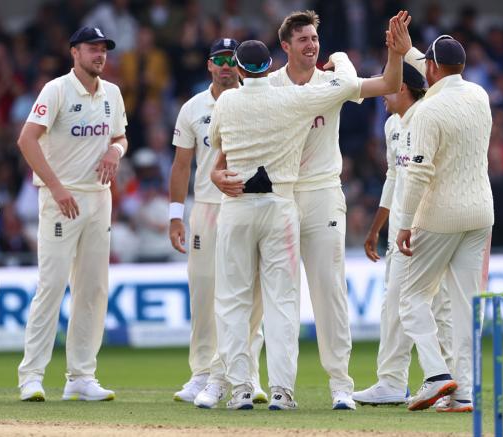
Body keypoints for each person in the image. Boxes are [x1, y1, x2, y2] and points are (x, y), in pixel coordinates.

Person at [212, 9, 406, 410]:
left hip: (319, 192)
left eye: (315, 39)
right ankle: (233, 381)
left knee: (327, 290)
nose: (312, 45)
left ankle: (340, 385)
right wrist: (217, 177)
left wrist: (395, 52)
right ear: (284, 47)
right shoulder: (272, 85)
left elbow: (389, 82)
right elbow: (226, 152)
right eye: (303, 39)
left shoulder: (328, 83)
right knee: (255, 300)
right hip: (276, 196)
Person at [208, 39, 361, 410]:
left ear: (241, 71)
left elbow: (216, 143)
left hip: (238, 207)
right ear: (270, 64)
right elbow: (348, 85)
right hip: (280, 206)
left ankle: (242, 388)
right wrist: (340, 57)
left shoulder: (227, 100)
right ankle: (281, 391)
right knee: (282, 302)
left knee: (233, 301)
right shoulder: (291, 99)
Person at [16, 26, 128, 402]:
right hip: (60, 199)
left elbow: (120, 136)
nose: (100, 55)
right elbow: (26, 139)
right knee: (51, 286)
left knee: (93, 289)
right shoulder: (57, 90)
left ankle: (81, 376)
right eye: (92, 48)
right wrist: (56, 187)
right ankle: (31, 375)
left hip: (99, 199)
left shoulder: (111, 93)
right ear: (74, 52)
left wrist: (116, 151)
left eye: (103, 50)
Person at [395, 34, 493, 412]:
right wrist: (409, 51)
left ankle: (436, 375)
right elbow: (440, 71)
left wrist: (404, 224)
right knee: (467, 306)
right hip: (480, 213)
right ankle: (464, 392)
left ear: (431, 68)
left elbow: (418, 173)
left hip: (440, 216)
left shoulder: (427, 112)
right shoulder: (479, 95)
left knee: (413, 297)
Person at [168, 38, 267, 405]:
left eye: (232, 60)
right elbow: (181, 165)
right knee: (205, 291)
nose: (226, 66)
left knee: (251, 293)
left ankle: (248, 375)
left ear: (241, 65)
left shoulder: (258, 100)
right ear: (209, 65)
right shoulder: (194, 107)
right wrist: (175, 216)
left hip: (246, 205)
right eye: (220, 60)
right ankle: (201, 374)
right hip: (207, 208)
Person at [354, 59, 453, 406]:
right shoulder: (392, 124)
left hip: (426, 228)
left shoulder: (427, 117)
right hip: (400, 229)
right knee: (394, 304)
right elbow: (394, 178)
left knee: (430, 307)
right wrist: (377, 227)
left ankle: (444, 381)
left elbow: (427, 177)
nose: (382, 92)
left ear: (402, 87)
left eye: (388, 84)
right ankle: (396, 381)